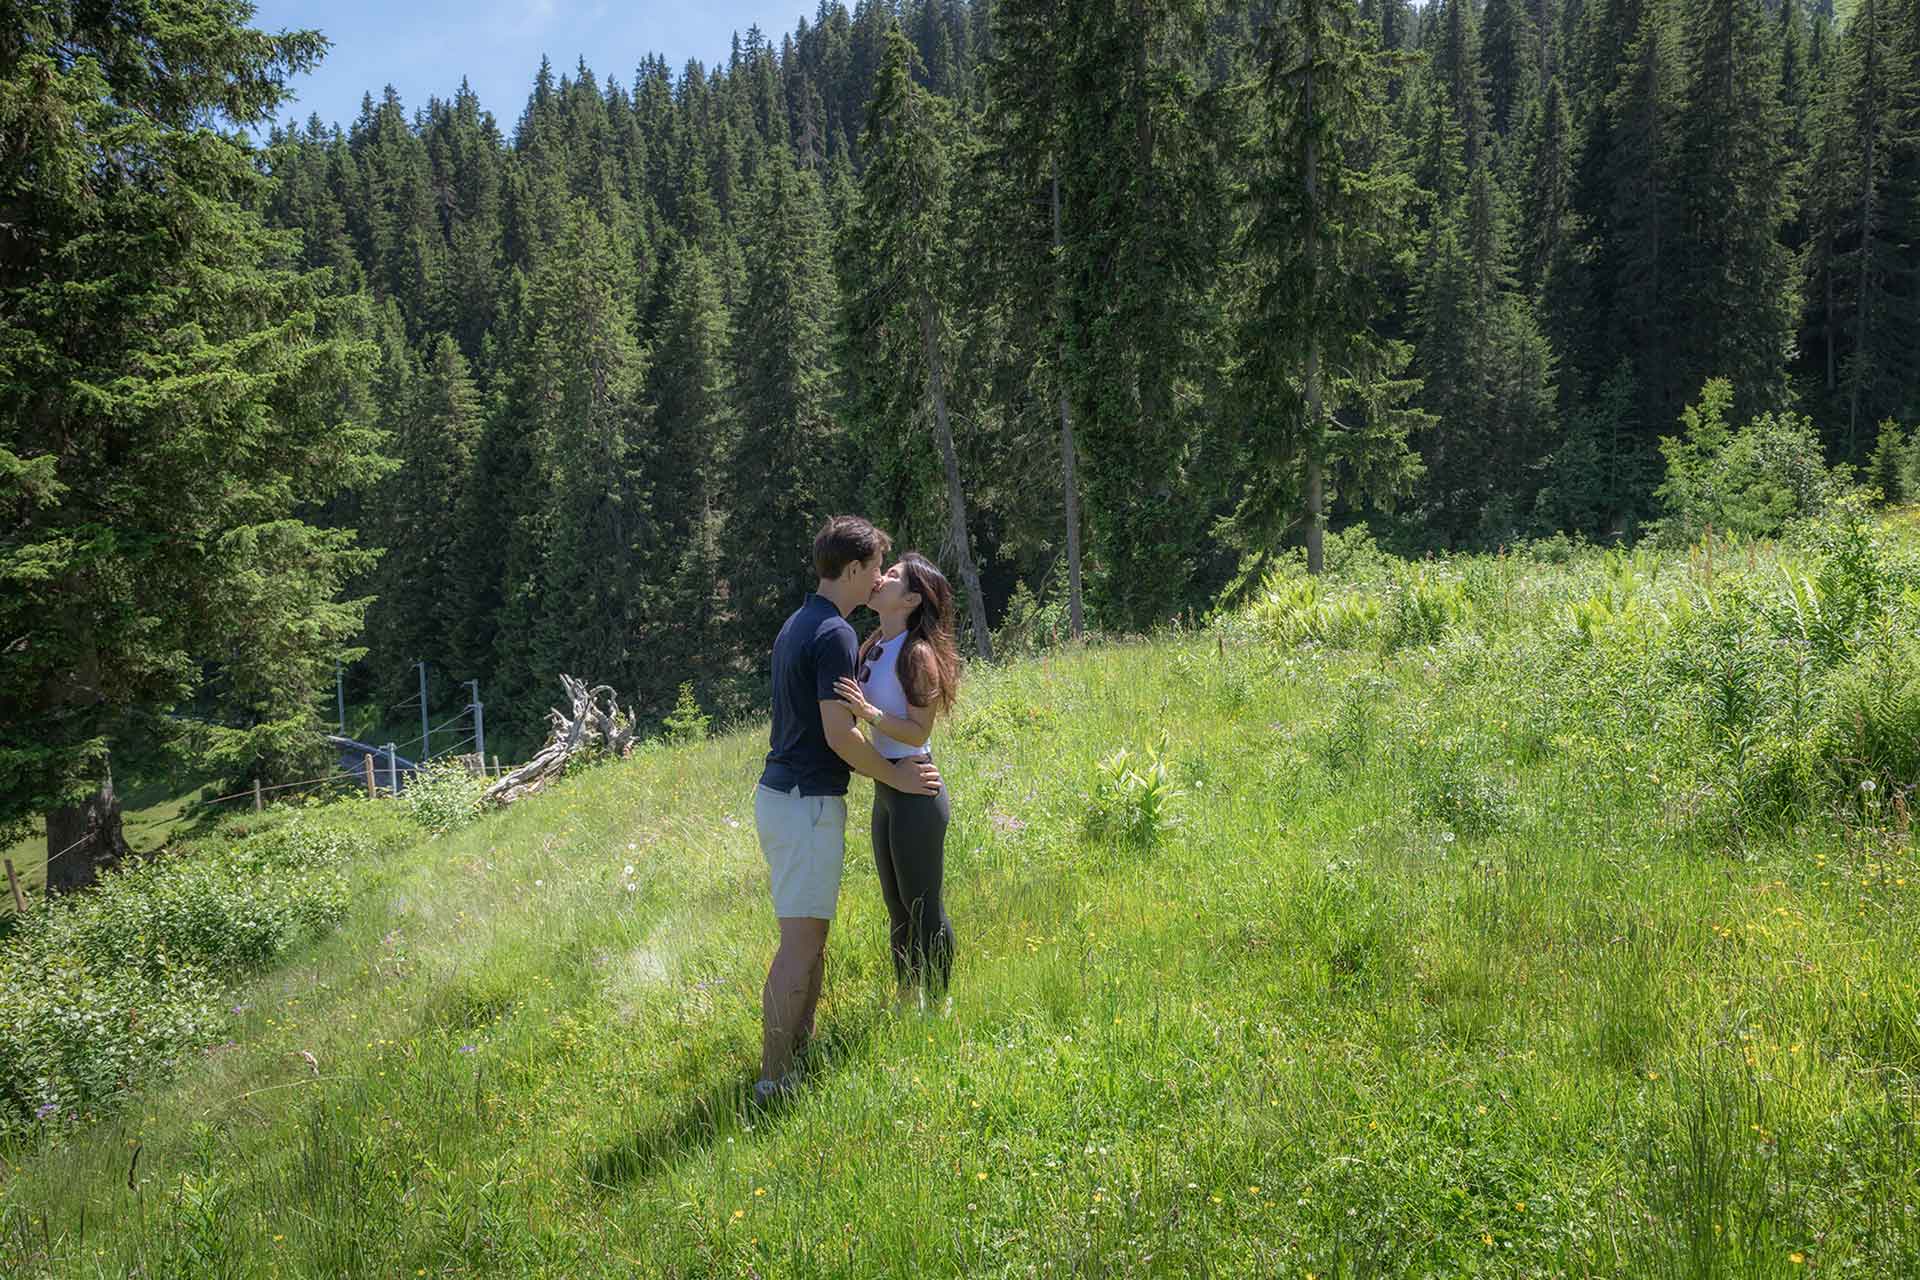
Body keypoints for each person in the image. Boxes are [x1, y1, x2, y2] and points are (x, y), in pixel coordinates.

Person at [754, 516, 941, 1106]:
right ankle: (774, 1081)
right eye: (876, 566)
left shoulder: (800, 621)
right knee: (801, 945)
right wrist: (896, 777)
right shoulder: (836, 633)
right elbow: (839, 734)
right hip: (805, 800)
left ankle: (797, 1059)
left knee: (811, 938)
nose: (879, 577)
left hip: (788, 797)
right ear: (854, 570)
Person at [833, 552, 962, 1001]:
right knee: (897, 907)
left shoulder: (917, 653)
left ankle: (941, 1003)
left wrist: (869, 713)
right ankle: (910, 998)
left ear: (909, 598)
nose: (880, 578)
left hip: (917, 792)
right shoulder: (873, 645)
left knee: (924, 909)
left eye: (891, 575)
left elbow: (918, 729)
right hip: (888, 787)